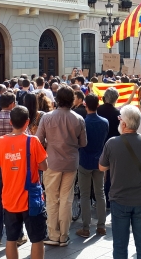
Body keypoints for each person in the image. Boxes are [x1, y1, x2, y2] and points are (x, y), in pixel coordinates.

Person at [99, 105, 141, 259]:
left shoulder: (112, 143)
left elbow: (102, 167)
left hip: (120, 199)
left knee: (119, 245)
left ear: (124, 124)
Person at [36, 86, 87, 246]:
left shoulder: (48, 117)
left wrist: (49, 144)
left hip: (52, 162)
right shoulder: (78, 118)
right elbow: (83, 143)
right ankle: (64, 236)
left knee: (52, 199)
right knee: (66, 199)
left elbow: (38, 140)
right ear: (72, 100)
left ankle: (53, 234)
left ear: (57, 100)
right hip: (71, 162)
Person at [0, 106, 49, 259]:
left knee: (11, 239)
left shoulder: (1, 141)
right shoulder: (33, 141)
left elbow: (0, 164)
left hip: (9, 198)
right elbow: (44, 166)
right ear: (27, 122)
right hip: (30, 200)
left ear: (11, 121)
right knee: (37, 239)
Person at [0, 92, 26, 246]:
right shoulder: (16, 119)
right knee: (16, 197)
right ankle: (19, 235)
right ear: (12, 103)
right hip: (15, 162)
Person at [76, 93, 108, 238]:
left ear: (85, 105)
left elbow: (79, 142)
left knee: (84, 195)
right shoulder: (104, 122)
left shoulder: (82, 122)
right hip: (99, 160)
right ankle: (101, 226)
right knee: (100, 193)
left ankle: (86, 227)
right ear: (98, 105)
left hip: (85, 160)